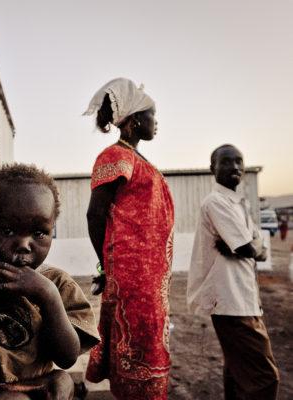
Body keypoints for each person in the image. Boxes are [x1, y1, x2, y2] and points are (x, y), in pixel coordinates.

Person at [0, 164, 100, 399]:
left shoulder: (58, 285)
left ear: (52, 231)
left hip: (36, 385)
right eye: (9, 230)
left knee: (39, 391)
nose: (24, 244)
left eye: (39, 233)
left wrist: (48, 296)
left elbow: (66, 358)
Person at [82, 78, 174, 399]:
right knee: (134, 344)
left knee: (146, 338)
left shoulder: (139, 160)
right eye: (152, 115)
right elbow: (95, 215)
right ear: (135, 120)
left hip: (149, 276)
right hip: (130, 275)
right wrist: (107, 266)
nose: (156, 122)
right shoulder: (114, 157)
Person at [187, 144, 279, 399]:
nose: (235, 167)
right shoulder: (215, 202)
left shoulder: (239, 204)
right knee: (264, 378)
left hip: (244, 300)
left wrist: (249, 247)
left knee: (238, 375)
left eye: (239, 161)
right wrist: (249, 246)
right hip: (232, 303)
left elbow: (258, 249)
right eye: (227, 162)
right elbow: (248, 248)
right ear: (212, 168)